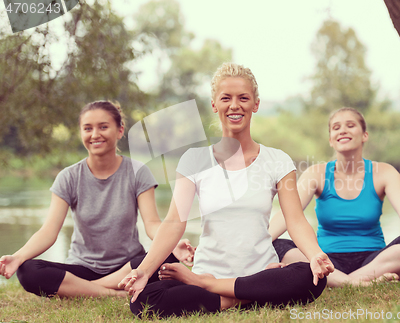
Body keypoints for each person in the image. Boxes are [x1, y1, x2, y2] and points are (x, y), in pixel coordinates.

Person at [118, 63, 334, 318]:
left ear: (256, 104)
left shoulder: (278, 160)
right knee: (143, 300)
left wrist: (315, 254)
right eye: (226, 98)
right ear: (214, 105)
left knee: (311, 277)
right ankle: (248, 295)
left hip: (259, 272)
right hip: (210, 270)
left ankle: (215, 289)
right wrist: (142, 271)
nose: (235, 105)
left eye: (243, 98)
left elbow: (295, 220)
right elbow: (175, 221)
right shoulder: (194, 159)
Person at [0, 101, 194, 298]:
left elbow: (152, 224)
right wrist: (18, 257)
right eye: (87, 128)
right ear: (81, 133)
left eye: (103, 127)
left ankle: (83, 289)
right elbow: (49, 231)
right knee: (27, 270)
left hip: (128, 265)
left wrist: (172, 243)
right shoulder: (68, 177)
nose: (95, 135)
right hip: (82, 267)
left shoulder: (138, 172)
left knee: (168, 260)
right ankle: (113, 293)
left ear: (119, 131)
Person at [270, 107, 400, 287]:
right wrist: (260, 240)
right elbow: (290, 214)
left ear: (364, 135)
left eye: (350, 125)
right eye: (336, 127)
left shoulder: (384, 172)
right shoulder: (316, 173)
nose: (343, 130)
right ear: (331, 139)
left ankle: (337, 282)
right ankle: (359, 284)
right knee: (277, 245)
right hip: (326, 260)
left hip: (374, 260)